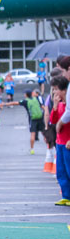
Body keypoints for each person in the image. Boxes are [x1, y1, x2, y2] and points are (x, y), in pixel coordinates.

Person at [49, 74, 69, 206]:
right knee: (61, 171)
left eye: (55, 89)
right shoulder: (61, 106)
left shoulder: (68, 107)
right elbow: (53, 121)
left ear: (63, 90)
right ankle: (66, 196)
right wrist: (55, 106)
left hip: (67, 143)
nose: (54, 92)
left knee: (69, 169)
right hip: (60, 142)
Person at [19, 89, 46, 154]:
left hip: (33, 119)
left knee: (32, 134)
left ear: (26, 95)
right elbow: (42, 106)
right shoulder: (36, 99)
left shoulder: (26, 101)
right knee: (44, 133)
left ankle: (32, 149)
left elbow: (15, 103)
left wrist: (5, 104)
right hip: (40, 117)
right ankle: (50, 147)